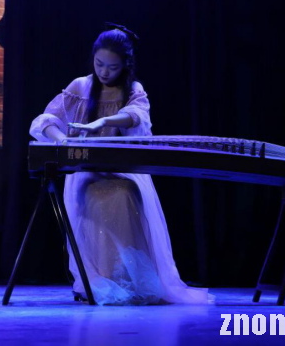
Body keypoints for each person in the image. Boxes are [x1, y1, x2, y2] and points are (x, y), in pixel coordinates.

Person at [29, 23, 213, 305]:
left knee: (125, 192)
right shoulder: (80, 86)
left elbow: (137, 116)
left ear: (125, 65)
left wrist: (103, 121)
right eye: (99, 64)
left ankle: (131, 279)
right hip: (85, 174)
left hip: (121, 171)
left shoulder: (132, 90)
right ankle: (103, 279)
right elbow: (46, 120)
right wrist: (63, 140)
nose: (104, 72)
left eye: (112, 67)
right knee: (98, 196)